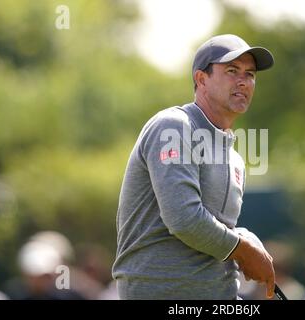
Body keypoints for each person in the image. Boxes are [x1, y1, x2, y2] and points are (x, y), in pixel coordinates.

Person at [112, 34, 276, 299]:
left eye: (250, 74)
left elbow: (217, 227)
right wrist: (243, 249)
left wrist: (244, 238)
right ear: (201, 79)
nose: (243, 81)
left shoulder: (234, 157)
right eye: (232, 71)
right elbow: (184, 219)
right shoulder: (174, 126)